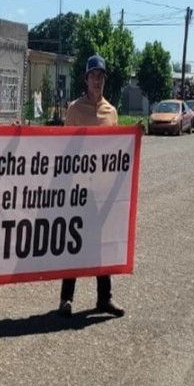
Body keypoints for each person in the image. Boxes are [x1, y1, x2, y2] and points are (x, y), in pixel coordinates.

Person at [57, 54, 126, 319]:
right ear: (86, 79)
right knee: (73, 242)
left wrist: (135, 136)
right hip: (78, 190)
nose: (97, 80)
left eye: (101, 76)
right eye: (93, 75)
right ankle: (66, 298)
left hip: (103, 190)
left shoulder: (112, 112)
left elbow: (118, 151)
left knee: (102, 243)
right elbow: (65, 149)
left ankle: (104, 298)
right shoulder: (74, 110)